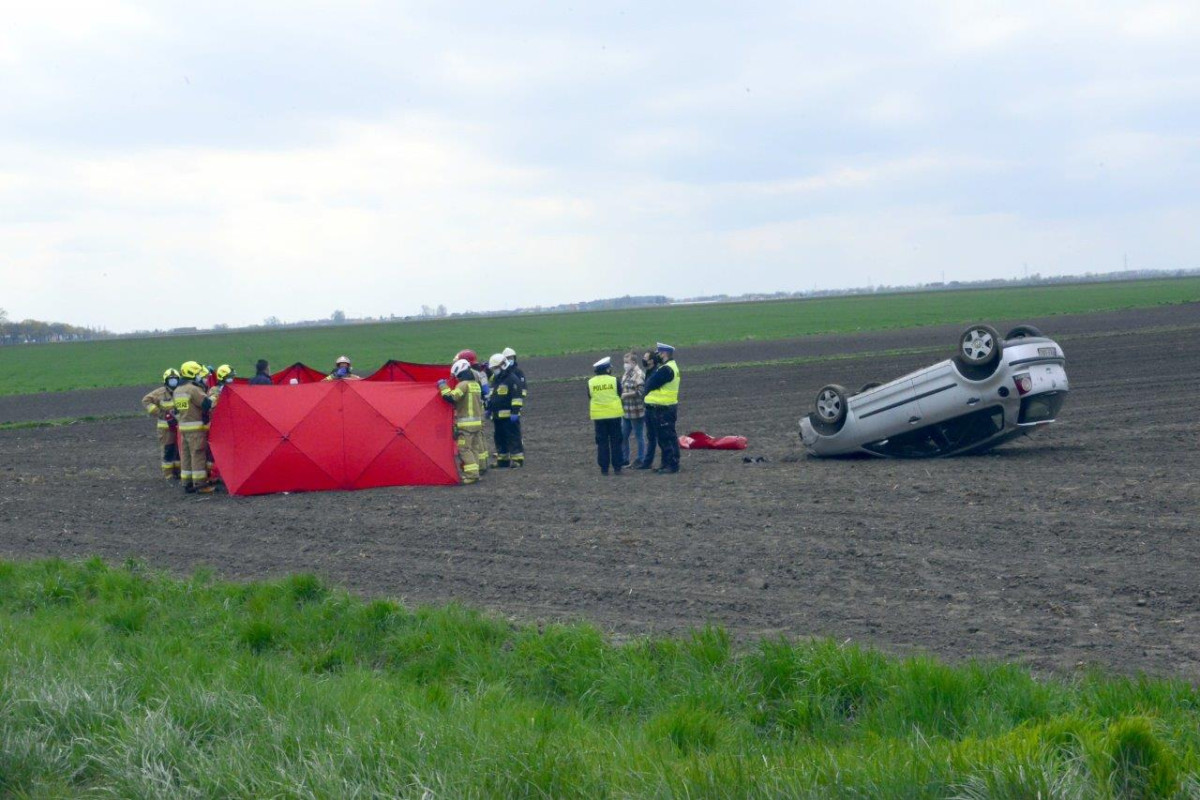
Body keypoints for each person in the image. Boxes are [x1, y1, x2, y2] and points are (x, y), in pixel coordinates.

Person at [438, 359, 484, 484]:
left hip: (466, 425)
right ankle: (476, 472)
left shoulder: (463, 385)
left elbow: (452, 398)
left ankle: (471, 475)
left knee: (464, 449)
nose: (456, 379)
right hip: (477, 423)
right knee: (474, 448)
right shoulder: (475, 384)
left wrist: (443, 387)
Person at [173, 360, 216, 494]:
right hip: (195, 429)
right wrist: (214, 397)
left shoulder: (178, 390)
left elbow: (177, 411)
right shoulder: (193, 389)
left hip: (184, 428)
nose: (200, 376)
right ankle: (201, 485)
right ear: (192, 373)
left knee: (186, 456)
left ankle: (187, 483)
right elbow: (206, 404)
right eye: (198, 373)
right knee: (197, 455)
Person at [642, 342, 681, 474]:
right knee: (664, 437)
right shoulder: (669, 367)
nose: (657, 355)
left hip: (664, 408)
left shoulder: (666, 369)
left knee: (667, 437)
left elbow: (650, 383)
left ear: (664, 353)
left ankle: (672, 464)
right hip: (663, 407)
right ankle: (666, 464)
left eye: (659, 353)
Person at [142, 368, 181, 480]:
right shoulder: (159, 393)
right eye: (171, 379)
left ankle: (178, 472)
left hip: (179, 427)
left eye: (175, 379)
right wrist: (159, 413)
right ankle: (168, 475)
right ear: (166, 381)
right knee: (168, 450)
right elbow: (146, 401)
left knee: (178, 451)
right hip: (166, 429)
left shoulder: (181, 392)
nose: (173, 381)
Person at [486, 352, 524, 467]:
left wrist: (515, 412)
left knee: (513, 437)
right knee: (499, 438)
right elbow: (493, 397)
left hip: (509, 417)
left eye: (495, 368)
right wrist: (489, 409)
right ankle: (503, 460)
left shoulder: (512, 379)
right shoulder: (497, 380)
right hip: (497, 416)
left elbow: (517, 397)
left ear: (502, 365)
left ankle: (517, 460)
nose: (494, 370)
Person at [588, 357, 624, 475]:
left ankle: (604, 468)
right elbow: (620, 393)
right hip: (614, 415)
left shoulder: (590, 382)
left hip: (599, 416)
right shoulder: (614, 380)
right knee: (616, 441)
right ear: (607, 369)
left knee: (602, 443)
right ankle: (617, 467)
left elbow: (590, 396)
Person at [455, 349, 489, 471]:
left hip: (472, 413)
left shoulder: (471, 376)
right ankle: (482, 465)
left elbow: (485, 391)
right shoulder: (481, 373)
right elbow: (485, 391)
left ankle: (477, 469)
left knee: (472, 444)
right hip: (479, 411)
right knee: (479, 440)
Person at [633, 350, 660, 470]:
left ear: (651, 361)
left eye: (645, 357)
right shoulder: (649, 371)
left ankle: (650, 462)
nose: (643, 359)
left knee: (655, 437)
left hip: (654, 409)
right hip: (649, 408)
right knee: (651, 436)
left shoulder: (654, 373)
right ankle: (647, 462)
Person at [619, 351, 647, 468]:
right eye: (624, 362)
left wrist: (626, 395)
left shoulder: (639, 374)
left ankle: (641, 459)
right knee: (623, 435)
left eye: (627, 362)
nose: (625, 364)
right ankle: (624, 459)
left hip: (636, 411)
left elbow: (641, 392)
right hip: (626, 411)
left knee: (639, 436)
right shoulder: (626, 374)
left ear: (634, 362)